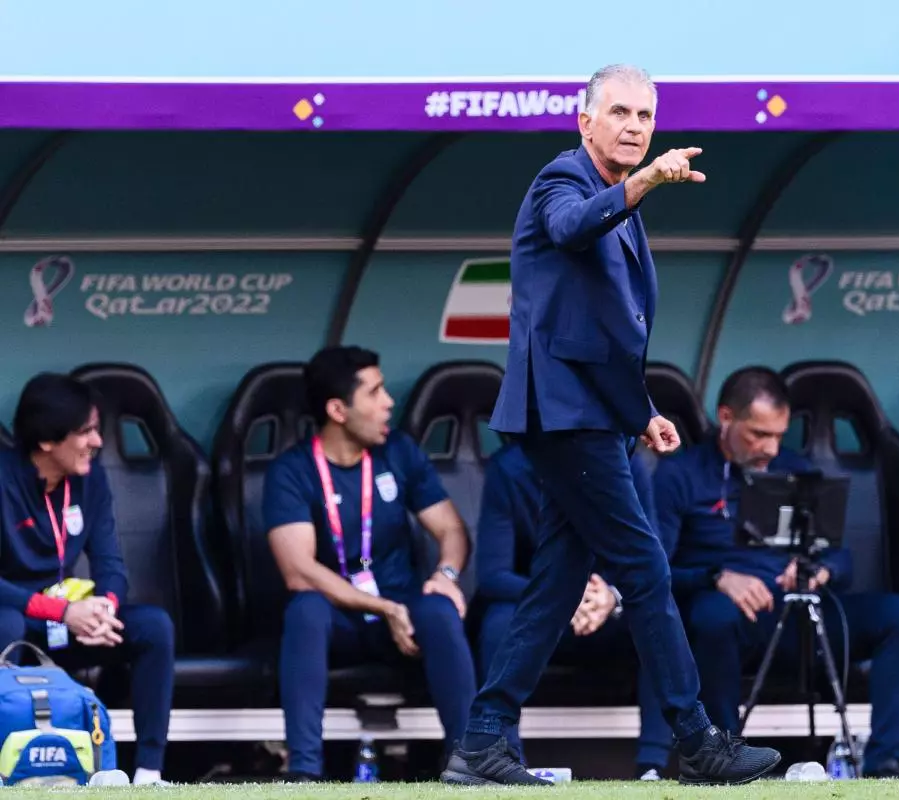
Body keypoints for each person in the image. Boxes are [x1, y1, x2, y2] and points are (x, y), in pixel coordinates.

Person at [442, 63, 780, 787]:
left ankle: (481, 739)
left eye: (645, 115)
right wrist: (646, 181)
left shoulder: (614, 199)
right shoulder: (561, 182)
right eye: (620, 113)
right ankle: (695, 738)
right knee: (648, 569)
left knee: (557, 583)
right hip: (564, 422)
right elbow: (569, 229)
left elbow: (598, 335)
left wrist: (643, 413)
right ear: (584, 120)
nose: (634, 126)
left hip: (592, 417)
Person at [654, 366, 899, 778]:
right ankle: (724, 756)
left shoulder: (797, 470)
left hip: (798, 618)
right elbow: (658, 571)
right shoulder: (681, 474)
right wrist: (717, 577)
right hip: (729, 618)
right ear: (726, 417)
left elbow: (842, 560)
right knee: (711, 615)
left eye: (778, 435)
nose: (770, 448)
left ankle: (884, 761)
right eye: (759, 434)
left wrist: (821, 570)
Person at [262, 345, 476, 780]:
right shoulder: (292, 469)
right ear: (338, 409)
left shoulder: (398, 452)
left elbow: (452, 530)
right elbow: (298, 569)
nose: (388, 403)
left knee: (438, 607)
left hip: (404, 616)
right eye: (375, 392)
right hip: (338, 618)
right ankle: (304, 773)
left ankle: (469, 764)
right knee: (305, 608)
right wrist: (383, 608)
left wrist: (447, 574)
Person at [0, 373, 174, 785]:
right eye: (87, 431)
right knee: (4, 621)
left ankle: (148, 774)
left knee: (153, 627)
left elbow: (111, 561)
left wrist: (105, 609)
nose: (98, 442)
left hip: (70, 622)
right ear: (46, 441)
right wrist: (61, 611)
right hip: (19, 619)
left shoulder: (90, 480)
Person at [473, 439, 673, 779]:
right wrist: (561, 595)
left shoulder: (627, 460)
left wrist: (612, 595)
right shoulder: (510, 467)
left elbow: (652, 557)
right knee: (497, 622)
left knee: (660, 611)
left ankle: (651, 768)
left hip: (605, 608)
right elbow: (492, 575)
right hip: (540, 610)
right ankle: (504, 761)